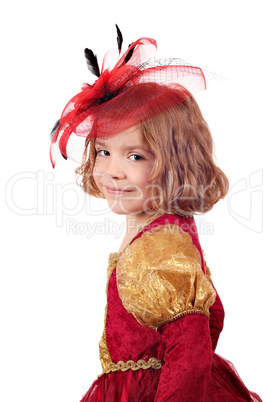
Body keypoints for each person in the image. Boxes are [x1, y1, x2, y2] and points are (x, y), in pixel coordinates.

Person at [50, 26, 262, 401]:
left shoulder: (162, 249)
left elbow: (191, 352)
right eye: (103, 152)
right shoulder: (161, 232)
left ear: (173, 163)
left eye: (135, 156)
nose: (113, 170)